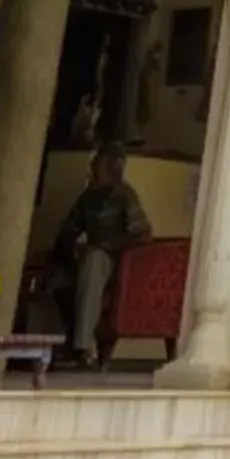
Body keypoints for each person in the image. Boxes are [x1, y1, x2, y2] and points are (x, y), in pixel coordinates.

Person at [46, 146, 151, 369]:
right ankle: (70, 341)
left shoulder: (125, 196)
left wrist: (104, 246)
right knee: (58, 280)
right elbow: (68, 230)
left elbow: (142, 234)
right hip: (88, 259)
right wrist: (70, 250)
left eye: (96, 166)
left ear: (111, 171)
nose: (91, 170)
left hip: (115, 262)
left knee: (94, 261)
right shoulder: (88, 198)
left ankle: (82, 349)